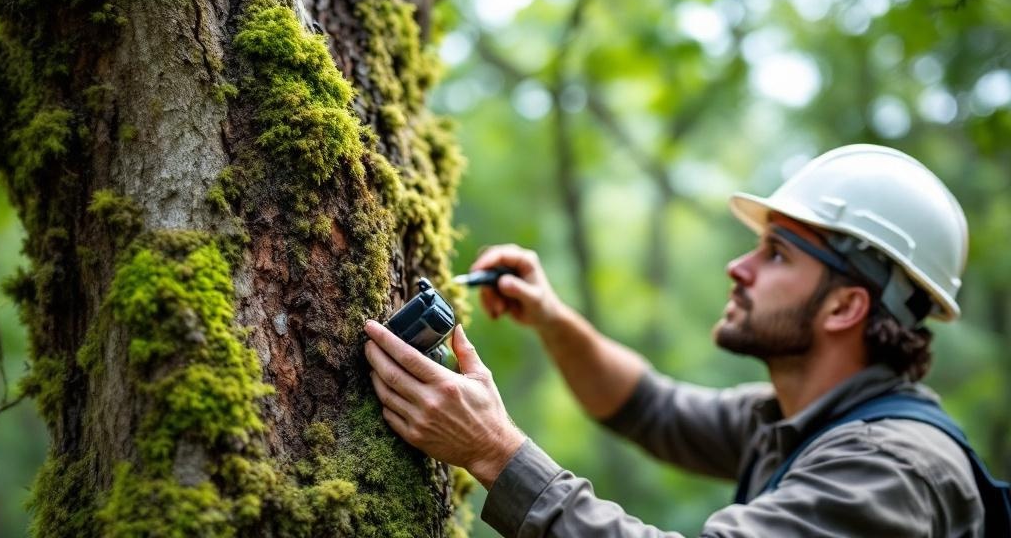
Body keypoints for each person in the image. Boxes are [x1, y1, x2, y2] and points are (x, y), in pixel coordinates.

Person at [363, 144, 990, 536]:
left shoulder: (890, 469)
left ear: (846, 306)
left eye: (776, 255)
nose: (738, 268)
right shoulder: (794, 420)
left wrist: (496, 453)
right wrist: (552, 317)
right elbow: (649, 408)